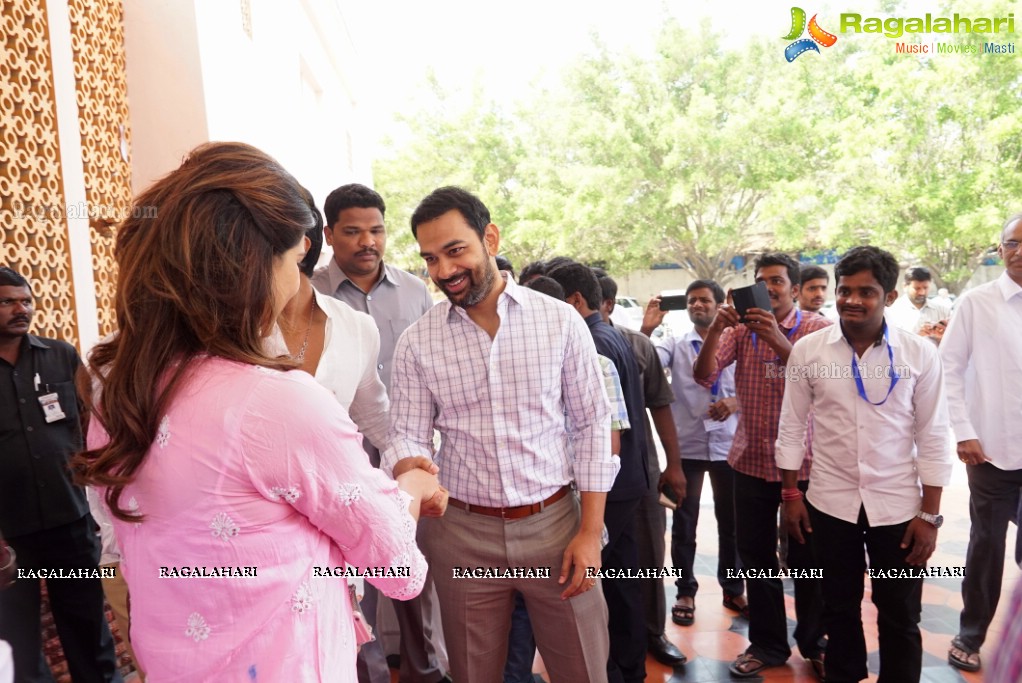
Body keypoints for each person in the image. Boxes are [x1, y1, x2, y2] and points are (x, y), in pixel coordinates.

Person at [72, 142, 442, 681]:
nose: (297, 282)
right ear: (250, 267)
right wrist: (410, 487)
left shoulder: (124, 382)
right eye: (295, 262)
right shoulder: (279, 400)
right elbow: (396, 567)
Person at [383, 187, 617, 683]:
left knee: (583, 668)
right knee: (473, 673)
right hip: (460, 532)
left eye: (455, 250)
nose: (444, 271)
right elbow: (406, 433)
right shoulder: (417, 342)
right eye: (430, 258)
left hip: (556, 524)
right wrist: (411, 471)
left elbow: (592, 424)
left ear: (489, 237)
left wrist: (590, 532)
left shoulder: (558, 321)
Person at [778, 246, 952, 682]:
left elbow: (932, 435)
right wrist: (790, 495)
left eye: (867, 292)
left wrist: (929, 514)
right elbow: (791, 427)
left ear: (889, 297)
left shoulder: (919, 354)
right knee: (838, 609)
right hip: (828, 504)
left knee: (899, 615)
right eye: (846, 290)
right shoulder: (809, 352)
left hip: (897, 508)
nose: (852, 300)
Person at [311, 183, 447, 683]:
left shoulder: (414, 290)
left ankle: (423, 666)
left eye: (376, 230)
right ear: (328, 234)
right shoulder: (312, 292)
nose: (367, 241)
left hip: (404, 447)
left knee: (410, 555)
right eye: (352, 231)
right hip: (334, 451)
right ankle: (361, 668)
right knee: (347, 567)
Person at [693, 252, 831, 678]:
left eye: (776, 281)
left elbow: (823, 381)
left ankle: (815, 641)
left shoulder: (816, 328)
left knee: (809, 559)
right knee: (755, 557)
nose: (768, 288)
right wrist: (717, 329)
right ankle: (768, 644)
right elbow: (704, 375)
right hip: (750, 461)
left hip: (807, 467)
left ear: (794, 287)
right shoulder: (738, 330)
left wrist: (777, 340)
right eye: (760, 281)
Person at [503, 275, 630, 683]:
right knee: (515, 628)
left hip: (567, 513)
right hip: (514, 516)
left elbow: (607, 442)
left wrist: (586, 522)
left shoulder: (597, 362)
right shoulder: (504, 363)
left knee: (578, 627)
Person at [0, 266, 123, 683]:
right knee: (18, 637)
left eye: (26, 300)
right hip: (10, 535)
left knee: (88, 625)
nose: (21, 309)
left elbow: (89, 428)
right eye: (7, 302)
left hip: (69, 523)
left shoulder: (61, 355)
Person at [547, 261, 655, 682]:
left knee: (590, 582)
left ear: (574, 302)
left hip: (607, 482)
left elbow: (602, 431)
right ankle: (629, 669)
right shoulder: (609, 334)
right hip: (624, 480)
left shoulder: (592, 344)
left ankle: (609, 668)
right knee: (623, 579)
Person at [942, 214, 1022, 674]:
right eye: (1013, 243)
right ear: (1000, 249)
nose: (1021, 251)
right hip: (990, 451)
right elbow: (949, 368)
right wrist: (964, 432)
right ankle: (970, 635)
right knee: (987, 546)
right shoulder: (978, 303)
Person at [642, 280, 746, 628]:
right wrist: (647, 329)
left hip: (730, 448)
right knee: (684, 524)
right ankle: (685, 590)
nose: (697, 305)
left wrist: (736, 402)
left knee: (732, 525)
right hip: (686, 447)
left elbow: (764, 387)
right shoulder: (674, 343)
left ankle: (733, 587)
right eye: (691, 301)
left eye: (704, 300)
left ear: (719, 305)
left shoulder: (741, 339)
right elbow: (645, 365)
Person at [596, 272, 687, 666]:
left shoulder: (637, 345)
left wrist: (675, 465)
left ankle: (654, 632)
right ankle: (604, 643)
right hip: (590, 481)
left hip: (641, 473)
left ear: (608, 306)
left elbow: (660, 405)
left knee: (648, 557)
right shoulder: (563, 342)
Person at [887, 266, 950, 342]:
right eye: (917, 288)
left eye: (925, 288)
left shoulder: (943, 311)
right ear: (905, 286)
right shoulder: (891, 311)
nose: (922, 292)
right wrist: (917, 337)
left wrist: (941, 337)